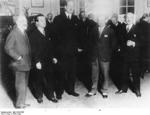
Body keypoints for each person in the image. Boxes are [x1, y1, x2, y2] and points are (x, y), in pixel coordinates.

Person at [53, 0, 79, 99]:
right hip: (62, 52)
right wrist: (58, 51)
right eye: (69, 6)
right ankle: (59, 92)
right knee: (61, 73)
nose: (71, 8)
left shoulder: (76, 19)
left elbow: (79, 35)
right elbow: (55, 37)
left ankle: (71, 90)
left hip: (73, 52)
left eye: (73, 6)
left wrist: (79, 47)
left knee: (72, 72)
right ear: (65, 7)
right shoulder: (58, 19)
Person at [29, 14, 58, 103]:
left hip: (48, 60)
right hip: (39, 61)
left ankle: (51, 95)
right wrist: (37, 61)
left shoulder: (47, 32)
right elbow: (33, 50)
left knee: (50, 78)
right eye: (41, 20)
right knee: (38, 79)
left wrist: (53, 57)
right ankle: (39, 96)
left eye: (44, 20)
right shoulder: (33, 35)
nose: (44, 22)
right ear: (36, 23)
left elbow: (51, 47)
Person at [5, 15, 31, 108]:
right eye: (23, 21)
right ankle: (19, 104)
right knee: (20, 85)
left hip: (26, 63)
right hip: (18, 63)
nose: (26, 23)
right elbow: (8, 48)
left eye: (26, 21)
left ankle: (22, 102)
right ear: (18, 22)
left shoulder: (23, 32)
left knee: (24, 84)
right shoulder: (14, 33)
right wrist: (19, 58)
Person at [116, 13, 141, 97]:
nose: (128, 19)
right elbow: (119, 41)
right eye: (127, 18)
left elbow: (144, 41)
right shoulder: (122, 28)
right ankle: (123, 88)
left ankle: (137, 89)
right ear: (125, 19)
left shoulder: (138, 28)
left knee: (135, 74)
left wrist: (134, 43)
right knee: (124, 72)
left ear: (133, 18)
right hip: (124, 55)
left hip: (134, 56)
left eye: (130, 18)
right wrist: (122, 45)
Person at [97, 16, 116, 98]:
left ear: (105, 20)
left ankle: (105, 91)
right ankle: (93, 89)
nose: (100, 21)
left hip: (105, 56)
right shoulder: (94, 30)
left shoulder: (110, 31)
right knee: (95, 74)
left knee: (105, 74)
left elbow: (114, 44)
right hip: (95, 56)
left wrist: (108, 53)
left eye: (102, 19)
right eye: (98, 19)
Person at [77, 10, 92, 92]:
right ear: (80, 16)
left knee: (88, 65)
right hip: (80, 47)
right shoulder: (78, 23)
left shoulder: (89, 22)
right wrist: (78, 47)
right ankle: (82, 78)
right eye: (81, 14)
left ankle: (88, 81)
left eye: (84, 14)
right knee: (81, 64)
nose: (83, 16)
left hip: (88, 47)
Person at [84, 13, 99, 97]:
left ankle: (97, 89)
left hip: (94, 52)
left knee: (95, 72)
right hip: (93, 52)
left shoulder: (90, 26)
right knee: (95, 72)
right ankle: (94, 89)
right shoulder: (94, 26)